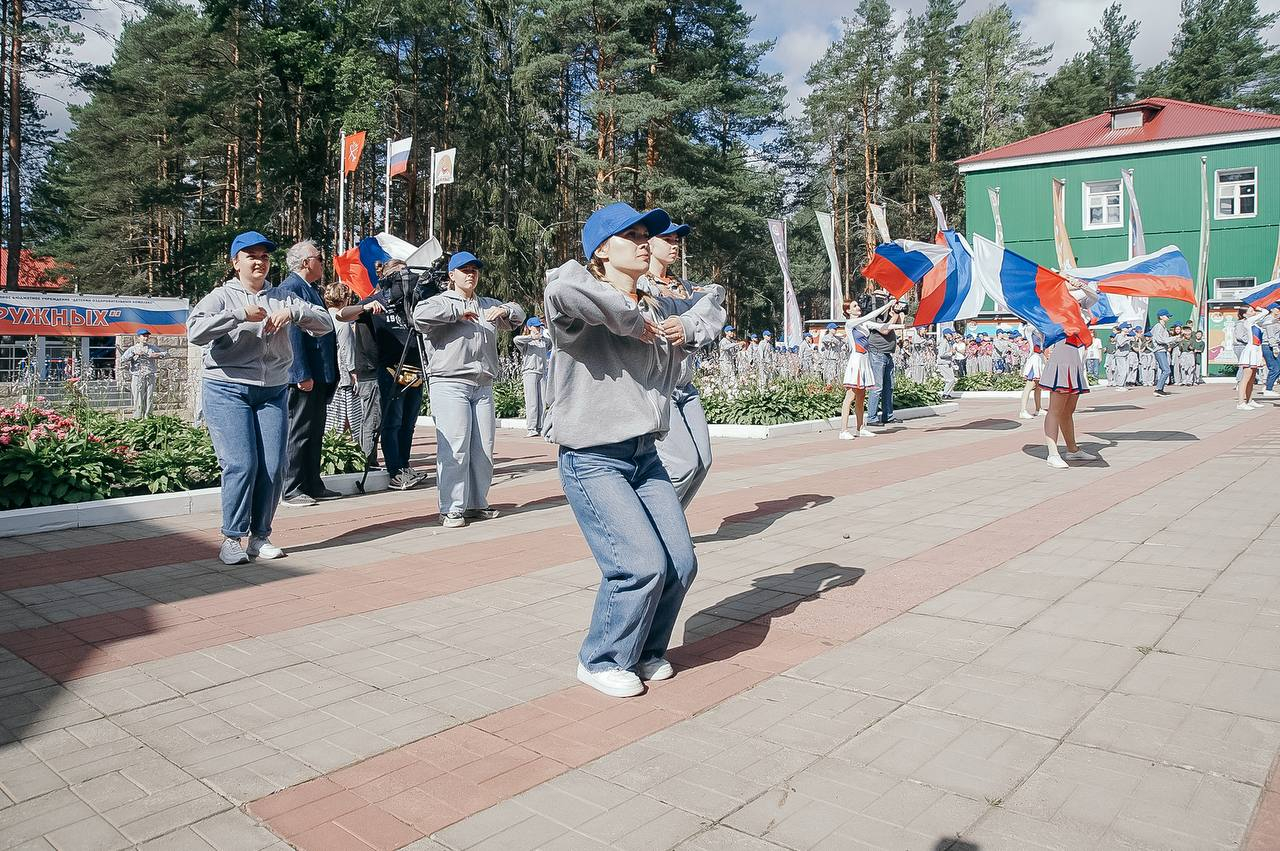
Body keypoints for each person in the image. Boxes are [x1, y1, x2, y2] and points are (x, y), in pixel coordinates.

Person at [543, 202, 722, 699]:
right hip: (592, 459)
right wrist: (629, 318)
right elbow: (562, 289)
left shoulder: (657, 303)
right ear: (601, 249)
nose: (645, 242)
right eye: (632, 235)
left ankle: (644, 651)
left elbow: (713, 306)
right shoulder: (579, 301)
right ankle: (600, 659)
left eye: (648, 234)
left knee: (681, 563)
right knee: (640, 564)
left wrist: (685, 327)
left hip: (644, 456)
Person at [187, 231, 333, 565]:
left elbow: (325, 322)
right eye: (250, 256)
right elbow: (195, 330)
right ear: (235, 262)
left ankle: (260, 537)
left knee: (273, 465)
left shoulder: (282, 296)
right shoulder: (222, 296)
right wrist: (238, 316)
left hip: (272, 390)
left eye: (264, 256)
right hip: (228, 388)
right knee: (242, 464)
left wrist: (294, 315)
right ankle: (232, 538)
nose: (259, 262)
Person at [414, 251, 526, 527]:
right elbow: (418, 316)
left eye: (475, 269)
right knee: (455, 446)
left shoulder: (487, 304)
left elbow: (519, 314)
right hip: (450, 383)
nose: (471, 274)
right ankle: (451, 507)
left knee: (483, 449)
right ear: (451, 275)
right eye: (464, 270)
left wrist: (507, 310)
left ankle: (476, 503)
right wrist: (456, 312)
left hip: (483, 384)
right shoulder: (438, 302)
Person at [646, 221, 726, 508]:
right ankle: (658, 527)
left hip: (685, 387)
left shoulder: (685, 287)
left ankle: (671, 527)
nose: (674, 245)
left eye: (677, 240)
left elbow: (717, 300)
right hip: (658, 387)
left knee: (703, 462)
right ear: (648, 243)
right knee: (682, 466)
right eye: (666, 239)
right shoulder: (640, 285)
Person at [277, 240, 340, 506]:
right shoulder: (290, 289)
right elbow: (292, 334)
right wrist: (300, 372)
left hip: (319, 373)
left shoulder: (310, 289)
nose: (323, 262)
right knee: (299, 430)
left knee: (314, 431)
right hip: (305, 375)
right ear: (306, 262)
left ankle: (312, 483)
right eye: (320, 258)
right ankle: (291, 488)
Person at [370, 260, 427, 490]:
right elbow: (345, 314)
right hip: (391, 368)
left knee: (408, 423)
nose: (406, 277)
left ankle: (405, 465)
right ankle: (394, 470)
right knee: (392, 422)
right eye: (400, 273)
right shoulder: (378, 299)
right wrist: (365, 308)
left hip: (416, 368)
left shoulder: (414, 302)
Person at [1039, 285, 1100, 469]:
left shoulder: (1077, 304)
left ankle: (1072, 450)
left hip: (1074, 358)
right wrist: (1062, 283)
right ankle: (1053, 453)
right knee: (1055, 409)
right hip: (1062, 356)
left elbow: (1094, 297)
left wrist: (1081, 285)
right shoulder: (1055, 304)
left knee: (1068, 410)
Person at [333, 287, 388, 470]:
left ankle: (366, 458)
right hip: (363, 372)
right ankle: (366, 460)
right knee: (369, 418)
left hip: (360, 372)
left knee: (363, 418)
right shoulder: (366, 306)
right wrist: (352, 372)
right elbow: (347, 348)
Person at [839, 300, 900, 440]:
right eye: (854, 306)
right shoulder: (850, 324)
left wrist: (896, 315)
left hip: (865, 360)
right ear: (848, 311)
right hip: (856, 361)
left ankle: (861, 428)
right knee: (850, 396)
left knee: (861, 397)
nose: (858, 307)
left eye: (857, 305)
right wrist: (886, 305)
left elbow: (883, 327)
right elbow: (870, 316)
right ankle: (843, 430)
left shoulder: (864, 324)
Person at [323, 282, 364, 448]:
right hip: (344, 377)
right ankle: (349, 450)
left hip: (328, 374)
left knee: (331, 418)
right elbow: (348, 351)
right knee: (350, 418)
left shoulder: (323, 317)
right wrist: (355, 374)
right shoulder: (342, 321)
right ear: (344, 299)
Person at [865, 299, 903, 426]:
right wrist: (894, 314)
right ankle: (872, 417)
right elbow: (885, 330)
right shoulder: (874, 316)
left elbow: (898, 326)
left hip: (887, 353)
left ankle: (888, 415)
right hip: (877, 353)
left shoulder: (887, 315)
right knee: (877, 387)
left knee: (889, 386)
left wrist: (897, 312)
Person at [514, 318, 550, 436]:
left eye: (539, 326)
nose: (538, 328)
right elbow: (516, 339)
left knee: (542, 402)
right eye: (535, 326)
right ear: (529, 327)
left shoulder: (544, 341)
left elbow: (552, 341)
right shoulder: (525, 342)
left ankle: (541, 427)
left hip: (542, 372)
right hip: (530, 372)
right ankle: (531, 428)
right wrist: (531, 337)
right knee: (532, 402)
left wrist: (543, 336)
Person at [1235, 306, 1275, 410]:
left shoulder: (1255, 323)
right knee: (1246, 378)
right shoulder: (1248, 321)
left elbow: (1269, 321)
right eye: (1251, 310)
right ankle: (1240, 403)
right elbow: (1265, 312)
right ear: (1245, 314)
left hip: (1257, 350)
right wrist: (1260, 307)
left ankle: (1249, 400)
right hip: (1250, 350)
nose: (1253, 312)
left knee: (1252, 378)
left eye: (1253, 310)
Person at [120, 328, 165, 418]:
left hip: (150, 375)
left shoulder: (152, 348)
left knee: (149, 397)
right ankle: (137, 418)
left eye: (147, 336)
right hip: (137, 376)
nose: (146, 338)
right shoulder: (132, 349)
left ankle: (148, 417)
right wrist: (133, 354)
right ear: (138, 337)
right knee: (138, 398)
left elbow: (165, 353)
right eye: (144, 336)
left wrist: (157, 355)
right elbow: (122, 359)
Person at [1019, 328, 1045, 419]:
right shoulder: (1030, 329)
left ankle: (1038, 409)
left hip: (1040, 358)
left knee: (1038, 386)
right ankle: (1023, 410)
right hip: (1034, 359)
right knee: (1029, 385)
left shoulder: (1040, 330)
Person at [1151, 309, 1175, 396]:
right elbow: (1160, 340)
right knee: (1166, 370)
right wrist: (1174, 338)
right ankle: (1158, 389)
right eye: (1166, 316)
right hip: (1159, 350)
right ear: (1161, 317)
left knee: (1164, 370)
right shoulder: (1158, 326)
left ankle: (1160, 389)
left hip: (1163, 350)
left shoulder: (1163, 327)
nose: (1168, 317)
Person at [1262, 306, 1280, 397]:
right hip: (1269, 346)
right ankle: (1268, 389)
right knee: (1275, 368)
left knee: (1277, 368)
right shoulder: (1269, 320)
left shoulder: (1275, 320)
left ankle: (1268, 386)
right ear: (1272, 309)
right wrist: (1274, 347)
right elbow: (1271, 335)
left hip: (1273, 345)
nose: (1279, 311)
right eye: (1277, 309)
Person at [936, 330, 958, 399]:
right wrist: (951, 353)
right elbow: (941, 354)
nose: (952, 335)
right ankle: (945, 394)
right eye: (950, 334)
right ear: (946, 335)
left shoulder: (948, 342)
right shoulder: (944, 343)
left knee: (952, 379)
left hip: (947, 363)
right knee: (950, 379)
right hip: (943, 363)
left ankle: (947, 393)